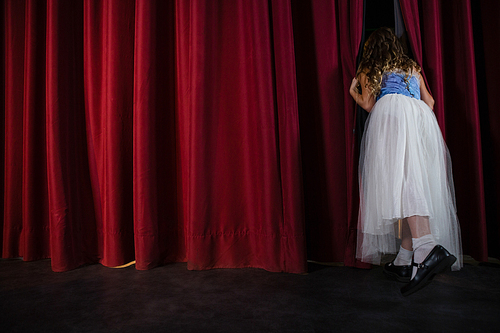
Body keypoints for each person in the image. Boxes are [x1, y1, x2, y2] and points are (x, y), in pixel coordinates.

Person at [349, 27, 462, 296]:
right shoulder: (411, 66)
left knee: (401, 183)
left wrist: (354, 88)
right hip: (421, 119)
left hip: (392, 118)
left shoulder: (371, 66)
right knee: (413, 178)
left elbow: (368, 104)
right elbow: (431, 101)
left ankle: (426, 246)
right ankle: (404, 259)